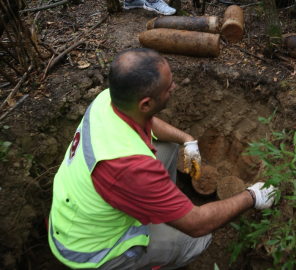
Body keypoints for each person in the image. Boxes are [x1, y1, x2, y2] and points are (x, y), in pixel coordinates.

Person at [48, 48, 277, 270]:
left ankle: (162, 206)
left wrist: (187, 139)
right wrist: (252, 196)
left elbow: (148, 122)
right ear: (146, 103)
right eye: (169, 87)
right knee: (199, 239)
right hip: (88, 248)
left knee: (168, 148)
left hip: (78, 210)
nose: (174, 87)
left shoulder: (108, 99)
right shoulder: (131, 166)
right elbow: (198, 224)